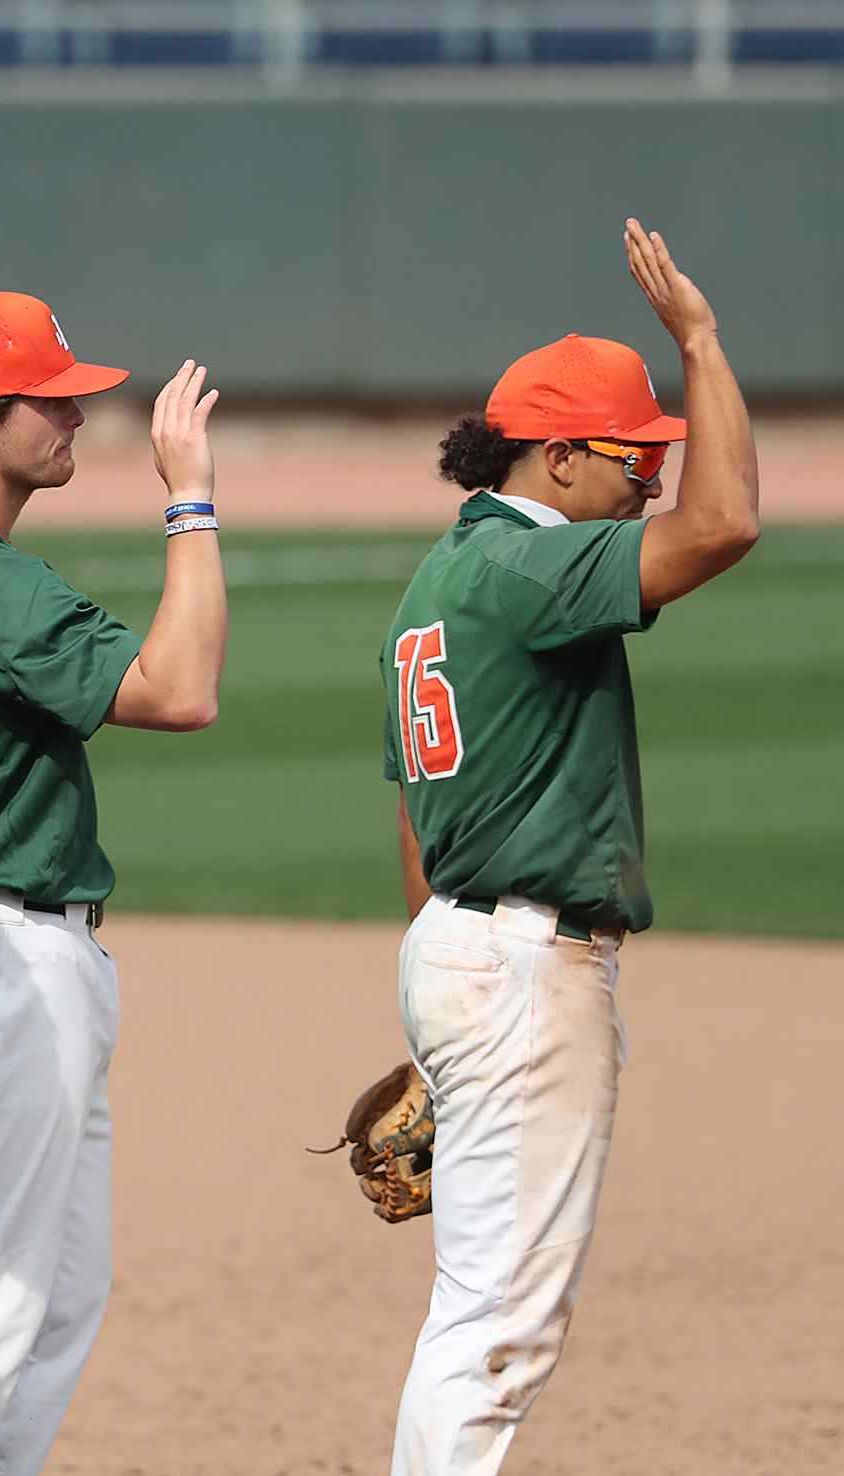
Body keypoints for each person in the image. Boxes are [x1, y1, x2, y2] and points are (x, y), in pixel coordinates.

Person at [382, 220, 757, 1476]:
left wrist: (446, 996)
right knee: (497, 1326)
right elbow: (727, 523)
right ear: (554, 458)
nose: (652, 473)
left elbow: (411, 810)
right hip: (526, 971)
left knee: (479, 1308)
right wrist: (699, 343)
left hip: (465, 950)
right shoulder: (529, 568)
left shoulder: (443, 576)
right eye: (632, 452)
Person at [0, 291, 226, 1476]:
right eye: (51, 401)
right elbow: (181, 690)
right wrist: (190, 500)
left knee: (58, 1292)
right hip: (1, 959)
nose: (78, 415)